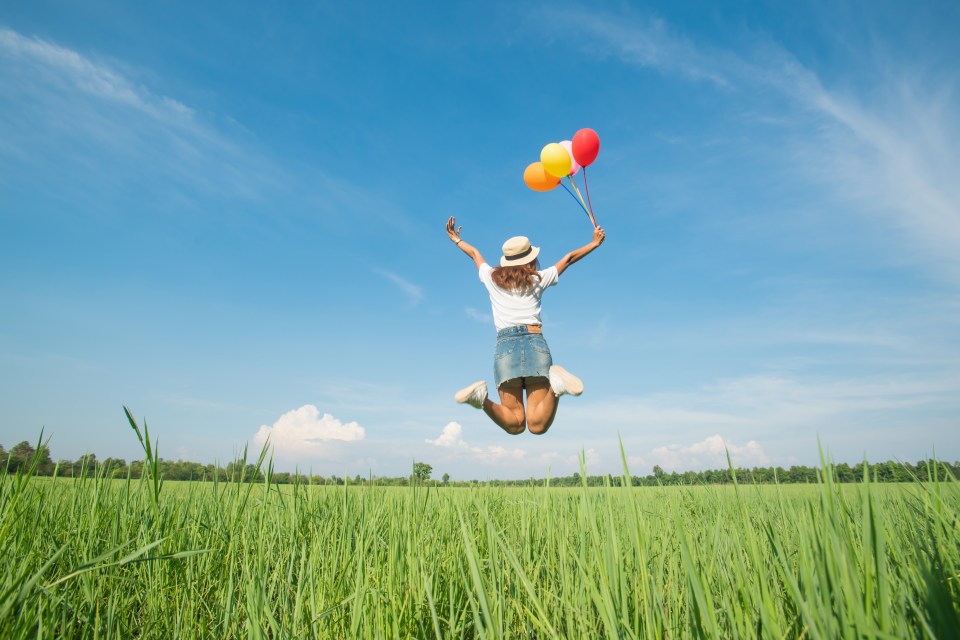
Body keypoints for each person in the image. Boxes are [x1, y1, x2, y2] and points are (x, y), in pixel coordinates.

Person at [446, 216, 606, 435]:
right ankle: (556, 389)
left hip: (505, 348)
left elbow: (475, 253)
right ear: (530, 259)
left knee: (515, 425)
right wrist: (594, 243)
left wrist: (456, 239)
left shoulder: (491, 278)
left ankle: (482, 399)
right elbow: (568, 259)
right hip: (535, 344)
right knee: (537, 426)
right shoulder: (538, 279)